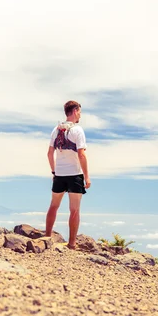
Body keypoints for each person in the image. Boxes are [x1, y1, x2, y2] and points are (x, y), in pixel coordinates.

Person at [45, 100, 91, 249]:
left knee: (53, 206)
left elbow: (50, 153)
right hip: (74, 175)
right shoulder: (78, 130)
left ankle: (47, 237)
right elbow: (81, 155)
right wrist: (87, 176)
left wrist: (54, 171)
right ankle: (72, 244)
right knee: (75, 210)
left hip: (59, 174)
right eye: (80, 112)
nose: (80, 116)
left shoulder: (56, 130)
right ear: (76, 111)